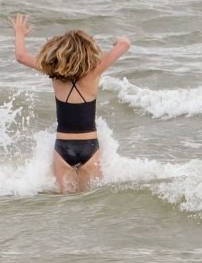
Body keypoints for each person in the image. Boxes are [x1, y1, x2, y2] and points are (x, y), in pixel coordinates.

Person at [11, 14, 130, 193]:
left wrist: (20, 33)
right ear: (87, 50)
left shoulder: (54, 72)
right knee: (91, 200)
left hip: (62, 147)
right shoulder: (94, 72)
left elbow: (21, 56)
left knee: (65, 203)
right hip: (89, 144)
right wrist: (117, 40)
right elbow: (125, 44)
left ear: (60, 52)